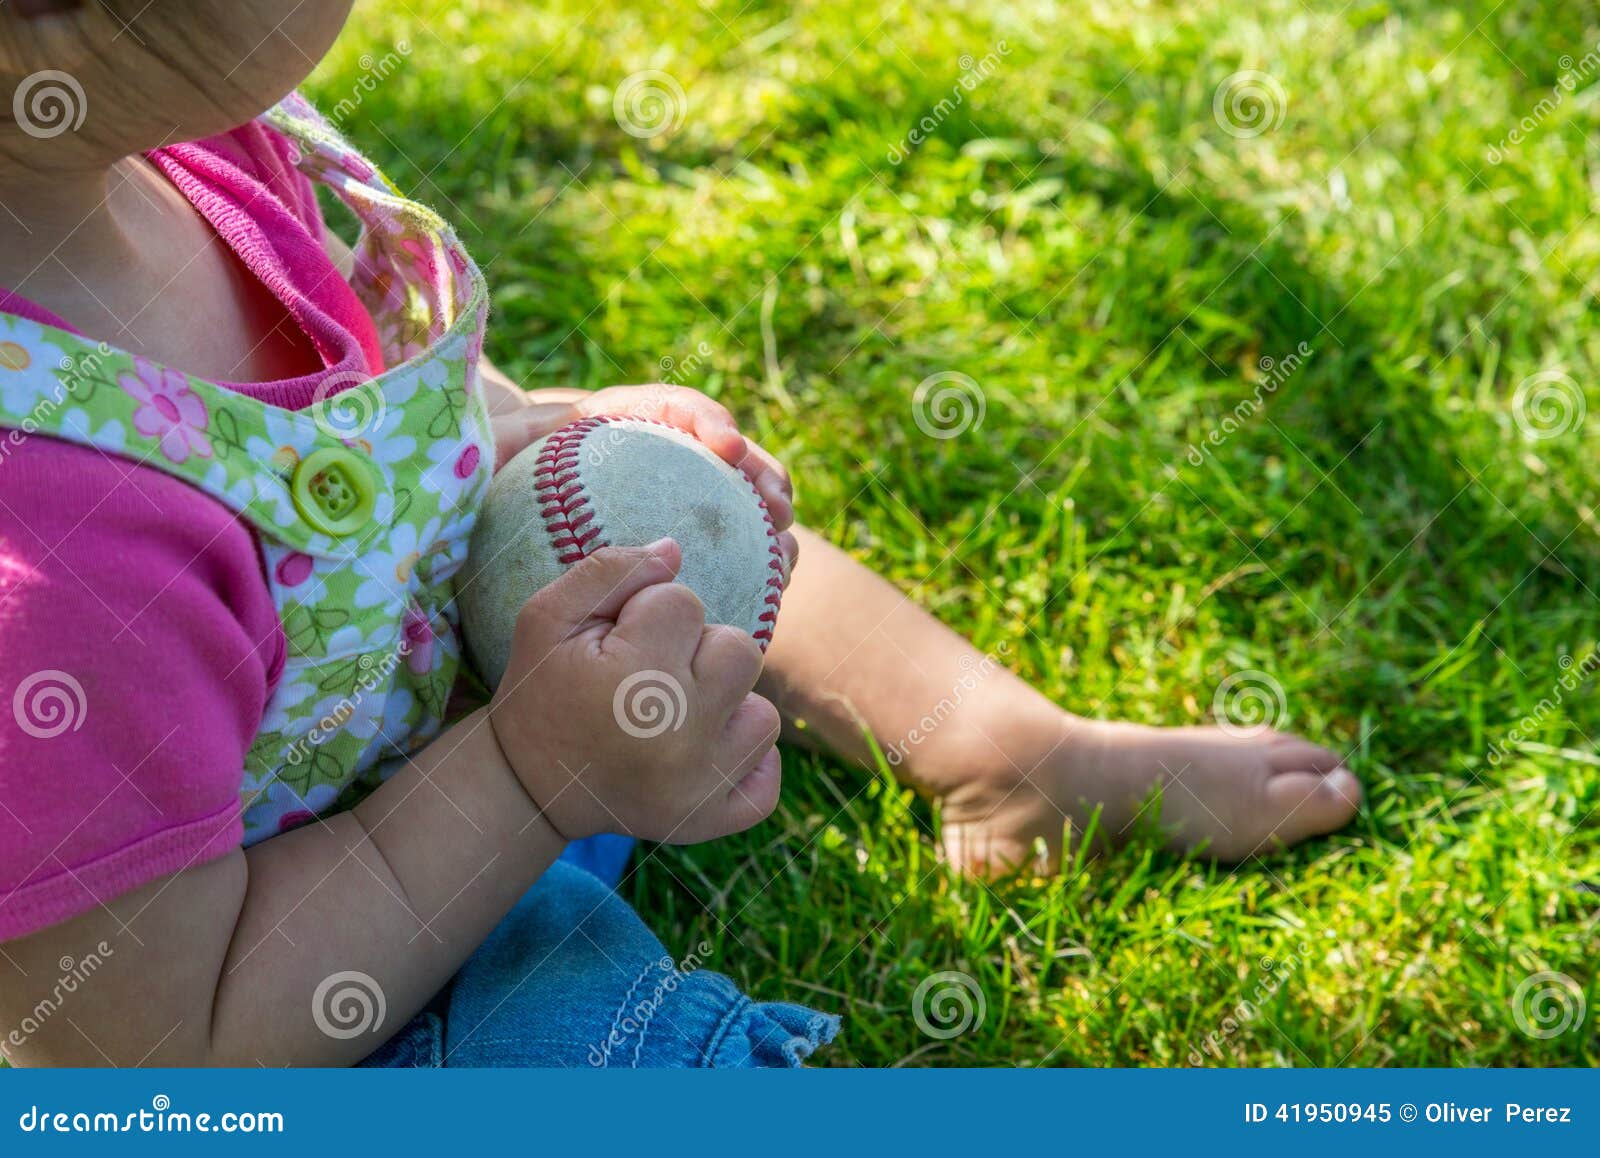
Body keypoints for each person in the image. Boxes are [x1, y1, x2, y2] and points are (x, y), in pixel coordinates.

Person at [0, 0, 1360, 1067]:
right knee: (600, 1061)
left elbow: (360, 432)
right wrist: (529, 782)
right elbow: (157, 1057)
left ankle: (1011, 756)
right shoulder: (53, 551)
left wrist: (535, 433)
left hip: (421, 704)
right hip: (285, 943)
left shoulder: (171, 141)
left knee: (665, 535)